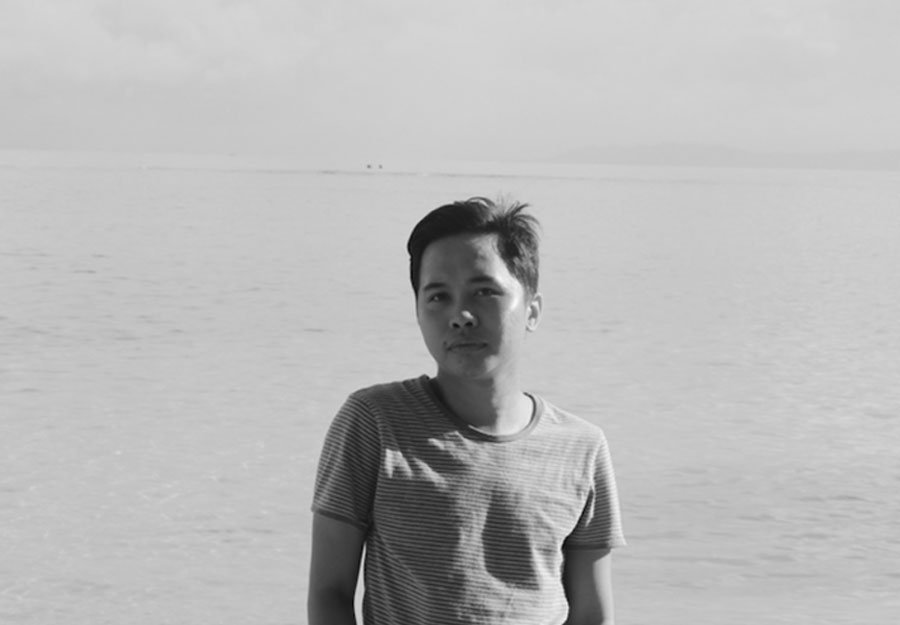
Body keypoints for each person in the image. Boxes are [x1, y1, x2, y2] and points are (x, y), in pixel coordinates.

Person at [308, 197, 625, 625]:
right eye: (438, 296)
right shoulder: (375, 422)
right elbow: (329, 593)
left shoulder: (581, 448)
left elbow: (592, 614)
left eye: (484, 291)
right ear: (418, 313)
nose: (461, 315)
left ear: (532, 310)